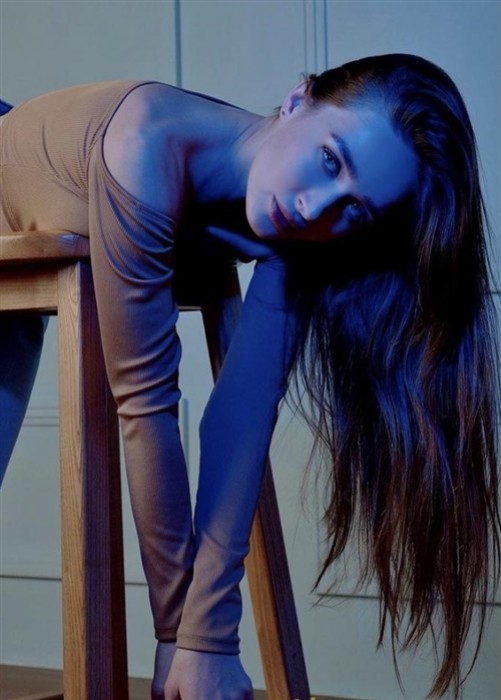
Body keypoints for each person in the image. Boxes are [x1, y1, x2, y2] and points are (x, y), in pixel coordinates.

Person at [0, 53, 499, 700]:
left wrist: (205, 637)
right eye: (329, 160)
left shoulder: (297, 233)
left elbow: (240, 422)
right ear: (297, 99)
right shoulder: (145, 142)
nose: (316, 207)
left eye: (355, 210)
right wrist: (183, 639)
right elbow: (145, 409)